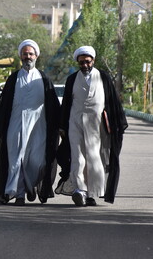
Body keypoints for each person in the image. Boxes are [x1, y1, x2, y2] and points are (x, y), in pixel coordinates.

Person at [0, 39, 61, 206]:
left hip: (38, 126)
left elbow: (53, 104)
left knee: (38, 161)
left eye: (31, 54)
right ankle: (19, 193)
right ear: (20, 56)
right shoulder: (14, 78)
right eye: (25, 54)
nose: (27, 56)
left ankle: (31, 186)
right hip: (15, 124)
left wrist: (59, 126)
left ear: (36, 56)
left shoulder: (43, 78)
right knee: (16, 160)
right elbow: (4, 104)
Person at [56, 46, 128, 206]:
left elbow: (113, 103)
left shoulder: (103, 78)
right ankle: (79, 191)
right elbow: (66, 103)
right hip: (75, 123)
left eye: (87, 61)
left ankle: (91, 194)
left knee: (94, 159)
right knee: (78, 158)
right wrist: (62, 126)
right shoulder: (72, 79)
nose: (85, 65)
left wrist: (117, 124)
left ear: (93, 61)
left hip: (97, 126)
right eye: (81, 62)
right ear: (78, 62)